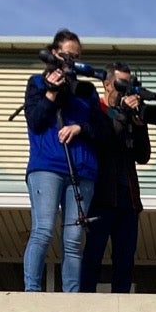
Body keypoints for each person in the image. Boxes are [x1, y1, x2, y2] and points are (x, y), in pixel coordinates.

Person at [23, 29, 105, 293]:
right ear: (54, 53)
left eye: (76, 57)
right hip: (47, 166)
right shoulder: (37, 83)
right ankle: (32, 292)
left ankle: (72, 296)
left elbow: (100, 130)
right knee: (43, 230)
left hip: (82, 170)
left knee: (73, 238)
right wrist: (51, 93)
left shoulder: (87, 90)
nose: (71, 62)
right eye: (67, 55)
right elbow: (35, 122)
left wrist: (79, 127)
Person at [81, 62, 153, 294]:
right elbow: (104, 141)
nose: (125, 89)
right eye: (120, 84)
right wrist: (122, 114)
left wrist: (139, 125)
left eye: (128, 84)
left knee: (125, 258)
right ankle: (85, 302)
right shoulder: (96, 109)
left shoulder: (130, 114)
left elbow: (143, 156)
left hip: (128, 198)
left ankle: (120, 305)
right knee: (93, 254)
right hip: (101, 195)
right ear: (106, 83)